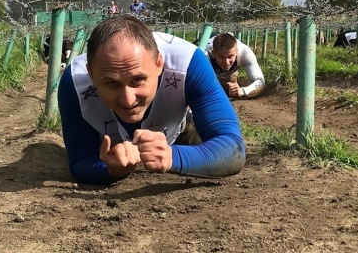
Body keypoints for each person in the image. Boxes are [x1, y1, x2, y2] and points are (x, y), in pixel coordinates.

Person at [58, 16, 245, 185]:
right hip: (108, 144)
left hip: (175, 131)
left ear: (159, 64)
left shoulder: (189, 64)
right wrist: (110, 171)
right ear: (91, 73)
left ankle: (186, 130)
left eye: (137, 80)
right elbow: (81, 160)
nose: (128, 99)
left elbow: (232, 148)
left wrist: (172, 156)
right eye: (111, 83)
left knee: (193, 136)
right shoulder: (74, 81)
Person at [205, 33, 266, 99]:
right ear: (213, 53)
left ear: (236, 51)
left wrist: (242, 91)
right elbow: (203, 82)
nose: (226, 62)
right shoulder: (204, 55)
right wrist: (226, 84)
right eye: (221, 57)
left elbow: (261, 82)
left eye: (230, 56)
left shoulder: (245, 53)